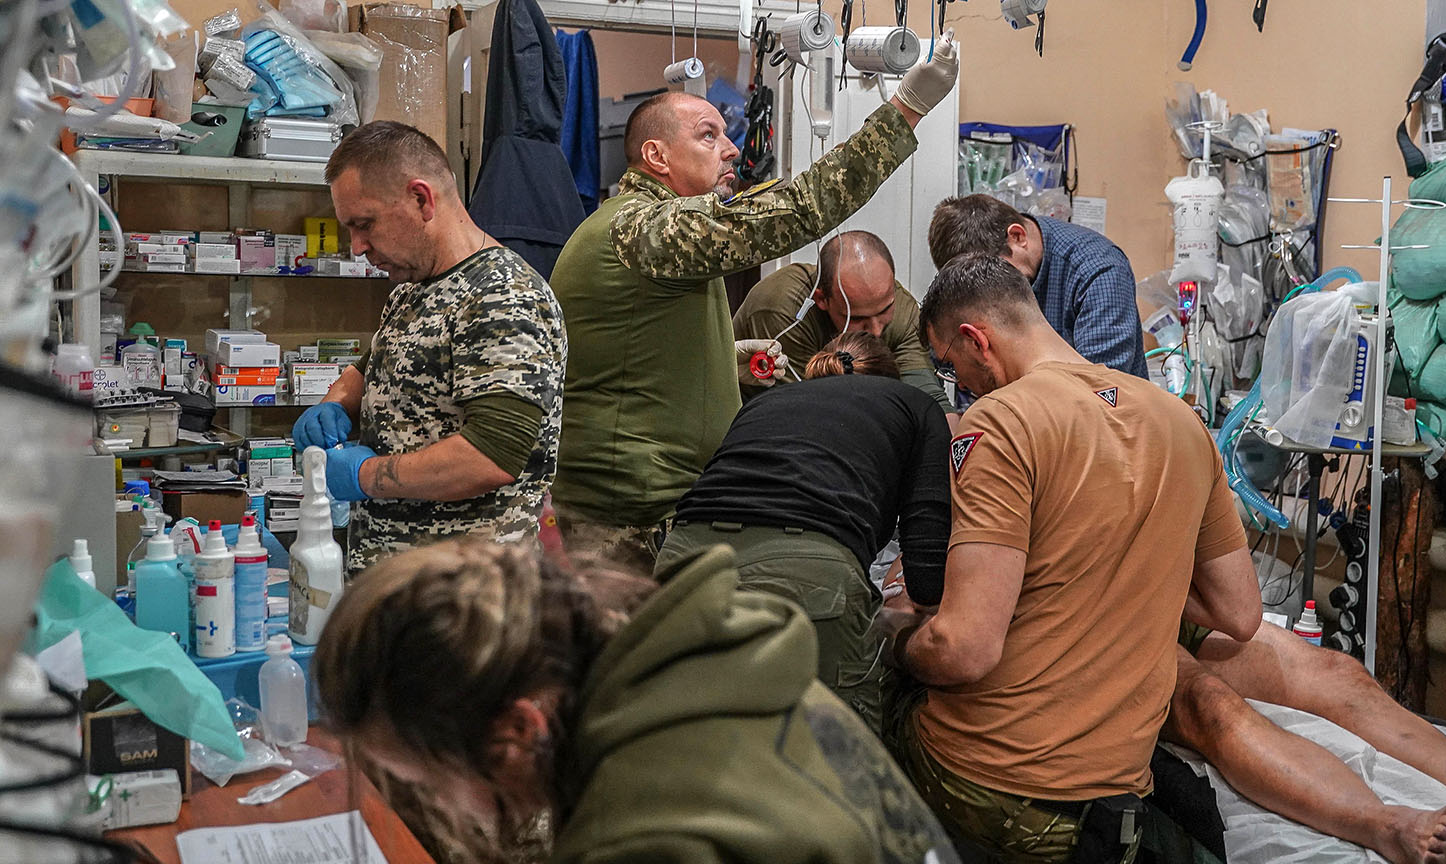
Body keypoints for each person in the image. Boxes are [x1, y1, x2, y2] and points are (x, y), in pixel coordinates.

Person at [882, 253, 1261, 863]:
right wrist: (1122, 563)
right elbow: (1241, 612)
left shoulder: (1000, 421)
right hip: (1114, 800)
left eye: (954, 368)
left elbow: (966, 647)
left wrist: (900, 636)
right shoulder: (1183, 423)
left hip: (991, 788)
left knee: (862, 696)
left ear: (977, 341)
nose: (964, 388)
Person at [547, 34, 960, 573]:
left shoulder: (639, 230)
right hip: (629, 515)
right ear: (657, 156)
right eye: (707, 135)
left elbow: (633, 349)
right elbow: (799, 208)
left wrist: (725, 360)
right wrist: (907, 109)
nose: (732, 147)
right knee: (629, 655)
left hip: (648, 501)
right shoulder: (645, 225)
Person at [313, 537, 961, 864]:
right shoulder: (712, 673)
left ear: (514, 731)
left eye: (419, 780)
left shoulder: (643, 832)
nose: (436, 804)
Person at [292, 122, 566, 573]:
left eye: (364, 225)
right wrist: (335, 404)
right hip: (399, 577)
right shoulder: (412, 286)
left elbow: (490, 456)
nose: (358, 246)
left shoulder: (503, 296)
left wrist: (365, 477)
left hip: (465, 588)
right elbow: (372, 368)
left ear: (421, 199)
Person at [654, 332, 950, 732]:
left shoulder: (764, 403)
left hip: (685, 555)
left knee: (693, 733)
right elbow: (928, 565)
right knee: (835, 748)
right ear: (890, 380)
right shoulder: (915, 406)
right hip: (810, 568)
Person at [1163, 622, 1446, 864]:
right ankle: (1390, 827)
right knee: (1209, 703)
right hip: (1125, 630)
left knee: (1337, 673)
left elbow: (1238, 614)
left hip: (1178, 618)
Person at [732, 232, 958, 423]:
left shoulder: (902, 309)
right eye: (858, 318)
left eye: (884, 310)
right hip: (757, 422)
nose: (877, 330)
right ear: (822, 299)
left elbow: (928, 399)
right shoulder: (784, 309)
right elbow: (808, 415)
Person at [927, 193, 1149, 378]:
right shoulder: (980, 280)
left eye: (995, 275)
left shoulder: (1098, 270)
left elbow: (1098, 383)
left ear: (1017, 236)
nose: (989, 293)